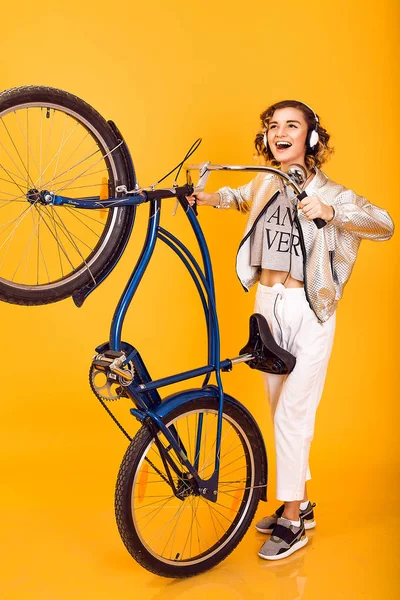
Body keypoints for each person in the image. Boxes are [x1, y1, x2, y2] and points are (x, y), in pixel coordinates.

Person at [187, 100, 394, 561]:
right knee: (280, 407)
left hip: (310, 311)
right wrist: (203, 196)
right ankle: (296, 500)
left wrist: (330, 212)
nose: (280, 132)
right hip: (267, 307)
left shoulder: (331, 193)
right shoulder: (266, 182)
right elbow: (236, 197)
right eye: (273, 126)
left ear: (311, 138)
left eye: (292, 125)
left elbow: (384, 225)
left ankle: (293, 519)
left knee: (292, 416)